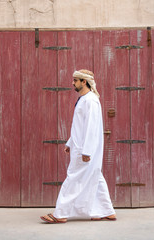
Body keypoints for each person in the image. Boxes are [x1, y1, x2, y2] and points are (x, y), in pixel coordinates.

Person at [40, 69, 116, 224]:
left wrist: (86, 151)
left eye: (75, 80)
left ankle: (60, 213)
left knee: (73, 178)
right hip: (80, 147)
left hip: (85, 150)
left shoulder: (91, 101)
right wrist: (70, 143)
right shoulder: (84, 99)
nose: (72, 83)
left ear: (84, 82)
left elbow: (91, 128)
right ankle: (107, 210)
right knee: (96, 177)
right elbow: (79, 127)